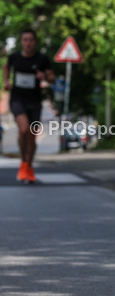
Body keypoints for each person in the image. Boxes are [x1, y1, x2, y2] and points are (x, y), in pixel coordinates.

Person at [3, 29, 55, 183]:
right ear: (21, 42)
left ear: (35, 42)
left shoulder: (42, 59)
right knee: (24, 129)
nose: (28, 43)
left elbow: (52, 78)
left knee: (32, 138)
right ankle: (23, 163)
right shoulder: (15, 58)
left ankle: (29, 166)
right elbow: (6, 67)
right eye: (25, 40)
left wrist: (44, 76)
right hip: (17, 100)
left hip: (35, 101)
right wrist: (6, 81)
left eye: (31, 40)